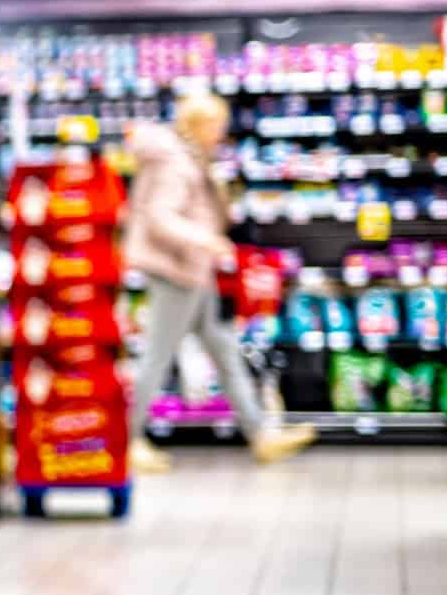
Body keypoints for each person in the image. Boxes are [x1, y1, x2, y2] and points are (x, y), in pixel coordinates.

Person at [122, 91, 314, 471]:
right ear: (196, 124)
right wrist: (207, 239)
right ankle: (125, 441)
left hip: (196, 270)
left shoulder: (191, 156)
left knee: (225, 352)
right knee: (156, 357)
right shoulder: (174, 162)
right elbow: (161, 216)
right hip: (176, 271)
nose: (220, 133)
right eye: (215, 125)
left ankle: (261, 435)